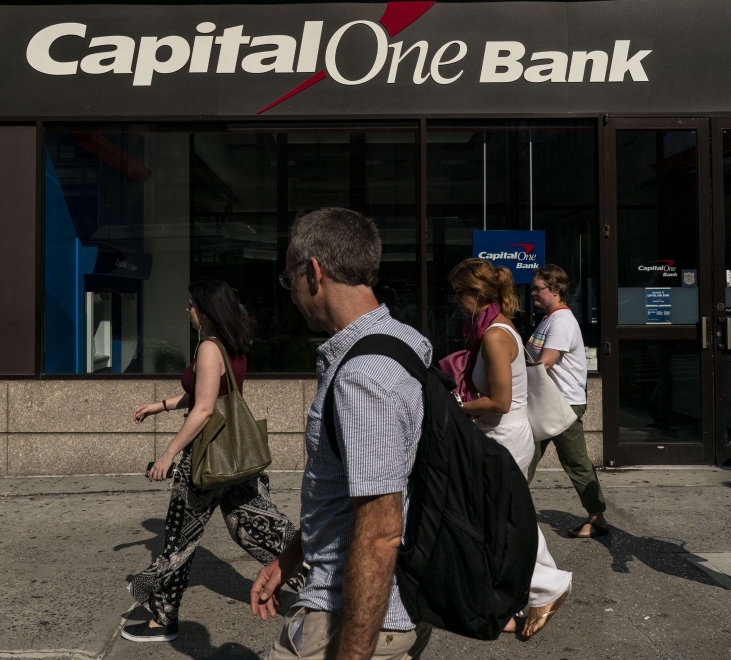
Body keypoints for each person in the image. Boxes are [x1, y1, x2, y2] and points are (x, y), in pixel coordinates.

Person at [250, 208, 433, 660]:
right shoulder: (406, 340)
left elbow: (379, 534)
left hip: (349, 619)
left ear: (313, 272)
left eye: (289, 277)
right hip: (394, 605)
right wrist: (291, 557)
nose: (290, 292)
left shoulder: (363, 377)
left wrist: (352, 654)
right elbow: (349, 493)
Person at [122, 278, 303, 643]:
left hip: (206, 461)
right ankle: (329, 580)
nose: (187, 311)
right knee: (258, 526)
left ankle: (162, 618)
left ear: (204, 310)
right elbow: (209, 394)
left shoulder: (208, 347)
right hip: (234, 457)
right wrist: (160, 406)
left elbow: (205, 408)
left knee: (178, 539)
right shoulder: (233, 345)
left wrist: (168, 455)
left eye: (190, 305)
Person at [448, 258, 572, 639]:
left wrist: (455, 409)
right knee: (503, 516)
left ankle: (545, 587)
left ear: (477, 294)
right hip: (497, 436)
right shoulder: (493, 329)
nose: (455, 301)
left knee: (500, 519)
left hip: (502, 438)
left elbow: (500, 401)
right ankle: (537, 588)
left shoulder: (495, 335)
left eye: (459, 293)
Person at [526, 265, 609, 538]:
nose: (534, 293)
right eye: (533, 288)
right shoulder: (549, 319)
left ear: (557, 290)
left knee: (574, 461)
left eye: (539, 288)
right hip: (547, 402)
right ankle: (508, 512)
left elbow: (545, 362)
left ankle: (597, 518)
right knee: (524, 456)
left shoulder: (561, 321)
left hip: (562, 404)